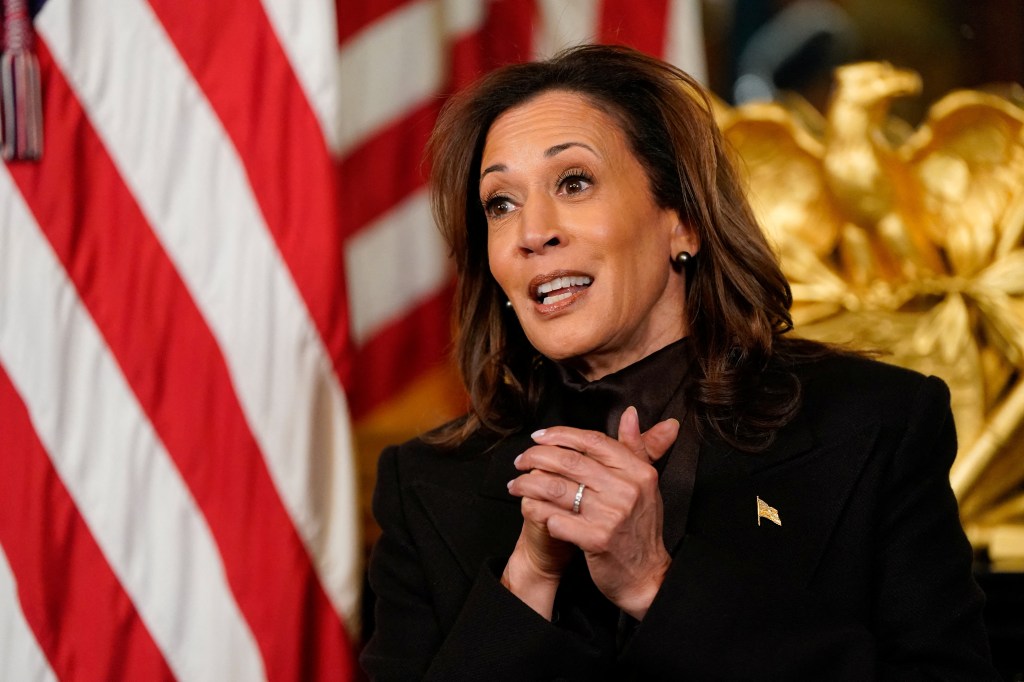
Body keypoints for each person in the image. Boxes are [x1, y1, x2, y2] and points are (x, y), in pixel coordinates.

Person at [360, 44, 996, 680]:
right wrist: (529, 579)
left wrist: (653, 584)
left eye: (574, 182)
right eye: (501, 203)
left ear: (683, 220)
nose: (532, 232)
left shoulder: (876, 423)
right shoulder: (423, 486)